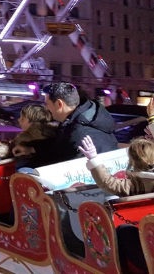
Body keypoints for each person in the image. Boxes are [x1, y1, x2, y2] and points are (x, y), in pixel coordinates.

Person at [80, 135, 153, 273]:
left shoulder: (137, 183)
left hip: (147, 252)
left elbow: (108, 182)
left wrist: (93, 159)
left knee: (123, 231)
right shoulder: (139, 181)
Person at [12, 82, 118, 167]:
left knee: (23, 170)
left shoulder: (79, 133)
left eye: (47, 104)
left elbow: (68, 168)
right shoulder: (77, 120)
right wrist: (31, 149)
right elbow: (59, 147)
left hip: (88, 183)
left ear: (59, 104)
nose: (47, 108)